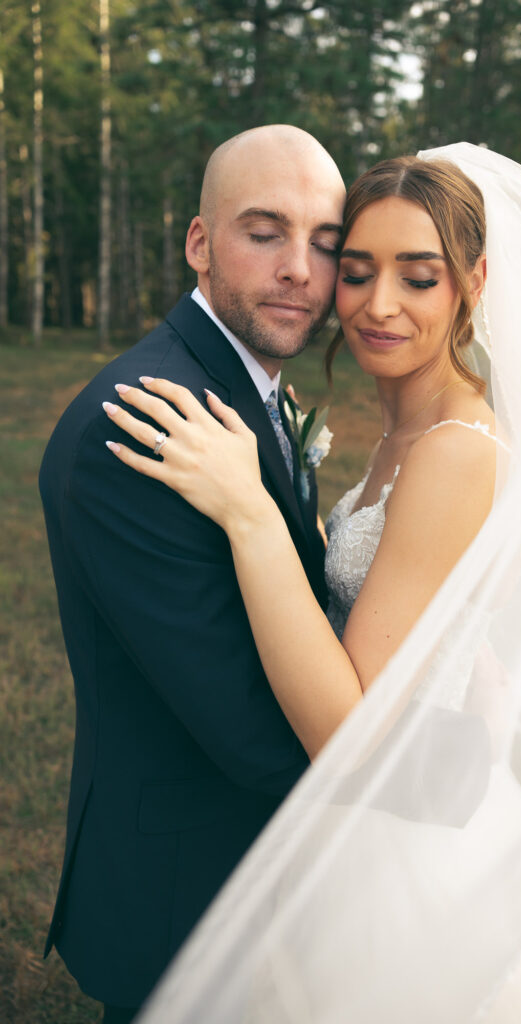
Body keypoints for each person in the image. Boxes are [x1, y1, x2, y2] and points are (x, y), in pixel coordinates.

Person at [106, 146, 521, 1021]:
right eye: (360, 271)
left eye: (419, 278)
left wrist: (250, 511)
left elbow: (349, 728)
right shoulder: (406, 436)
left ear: (473, 284)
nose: (378, 306)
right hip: (392, 811)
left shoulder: (453, 449)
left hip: (395, 848)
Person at [38, 124, 346, 1023]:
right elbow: (255, 731)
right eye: (265, 231)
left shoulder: (250, 386)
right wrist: (438, 770)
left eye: (326, 243)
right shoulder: (137, 422)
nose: (300, 268)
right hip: (187, 899)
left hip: (260, 876)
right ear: (200, 244)